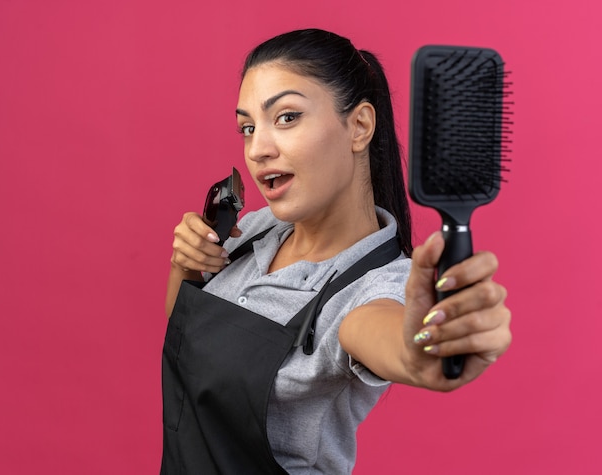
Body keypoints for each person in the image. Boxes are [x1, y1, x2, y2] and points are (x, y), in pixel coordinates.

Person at [161, 28, 511, 474]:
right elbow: (185, 336)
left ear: (360, 126)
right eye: (248, 127)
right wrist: (185, 267)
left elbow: (390, 336)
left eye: (286, 117)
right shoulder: (252, 232)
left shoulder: (374, 286)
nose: (258, 150)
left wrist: (424, 350)